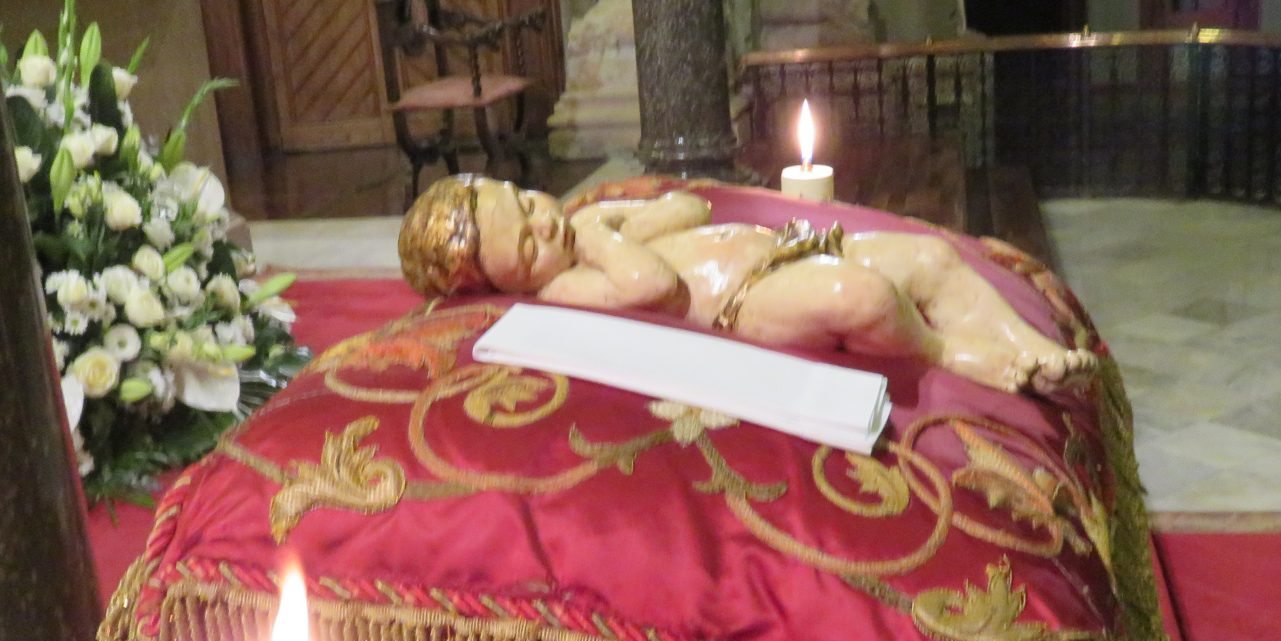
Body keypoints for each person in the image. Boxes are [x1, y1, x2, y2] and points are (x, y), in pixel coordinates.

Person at [396, 175, 1097, 396]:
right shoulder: (566, 289)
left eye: (526, 202)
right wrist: (601, 233)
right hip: (746, 303)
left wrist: (611, 221)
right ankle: (953, 353)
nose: (545, 223)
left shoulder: (585, 226)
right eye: (527, 245)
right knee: (863, 297)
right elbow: (653, 286)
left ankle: (1028, 344)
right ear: (507, 286)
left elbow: (688, 208)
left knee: (931, 259)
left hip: (786, 249)